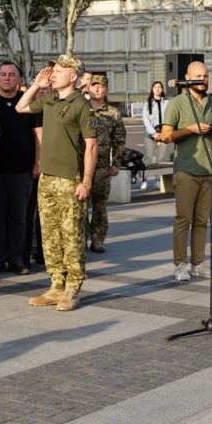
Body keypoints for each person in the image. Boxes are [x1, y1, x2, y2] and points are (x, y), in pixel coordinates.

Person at [16, 54, 97, 312]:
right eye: (53, 70)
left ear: (73, 76)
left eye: (59, 70)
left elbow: (92, 145)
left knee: (71, 235)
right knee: (50, 235)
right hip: (47, 178)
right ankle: (56, 285)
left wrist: (86, 181)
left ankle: (73, 288)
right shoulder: (48, 99)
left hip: (70, 179)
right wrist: (37, 84)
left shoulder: (81, 104)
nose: (54, 73)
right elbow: (20, 107)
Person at [161, 61, 212, 281]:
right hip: (187, 170)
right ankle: (180, 265)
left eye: (206, 76)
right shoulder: (177, 103)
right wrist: (190, 130)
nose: (203, 79)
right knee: (183, 220)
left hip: (208, 171)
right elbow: (166, 136)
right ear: (188, 78)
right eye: (198, 76)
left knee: (202, 221)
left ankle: (199, 264)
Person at [0, 62, 39, 275]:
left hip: (22, 170)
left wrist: (37, 162)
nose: (7, 78)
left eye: (11, 75)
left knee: (20, 218)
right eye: (2, 74)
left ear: (19, 79)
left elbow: (38, 135)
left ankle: (17, 259)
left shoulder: (28, 104)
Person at [86, 75, 126, 253]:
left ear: (106, 90)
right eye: (93, 86)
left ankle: (98, 238)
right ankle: (80, 239)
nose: (96, 89)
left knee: (99, 205)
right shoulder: (80, 108)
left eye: (100, 87)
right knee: (79, 206)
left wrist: (116, 163)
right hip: (80, 165)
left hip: (102, 167)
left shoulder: (113, 113)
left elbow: (119, 140)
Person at [141, 81, 170, 190]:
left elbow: (170, 117)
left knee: (160, 158)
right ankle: (145, 179)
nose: (157, 89)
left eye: (159, 87)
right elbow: (145, 119)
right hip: (150, 134)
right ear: (152, 89)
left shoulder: (167, 102)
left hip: (163, 133)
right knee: (148, 157)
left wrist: (164, 132)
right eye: (155, 87)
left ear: (162, 89)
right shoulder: (148, 103)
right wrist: (153, 133)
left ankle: (158, 180)